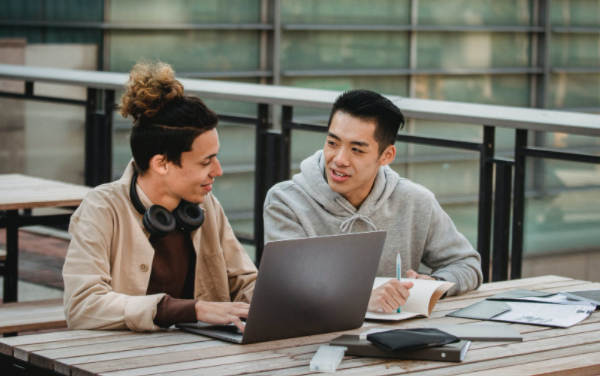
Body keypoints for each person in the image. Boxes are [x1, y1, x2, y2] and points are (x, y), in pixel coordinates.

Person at [63, 62, 256, 332]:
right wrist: (191, 309)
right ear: (161, 164)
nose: (219, 171)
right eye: (205, 162)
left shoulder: (206, 204)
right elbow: (82, 307)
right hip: (122, 362)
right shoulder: (101, 208)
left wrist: (282, 302)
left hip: (201, 359)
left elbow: (244, 281)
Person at [264, 89, 482, 313]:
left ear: (387, 155)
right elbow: (288, 288)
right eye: (332, 143)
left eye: (356, 149)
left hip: (397, 339)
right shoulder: (286, 201)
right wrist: (364, 299)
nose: (339, 159)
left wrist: (433, 285)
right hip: (312, 341)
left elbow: (467, 265)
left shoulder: (416, 201)